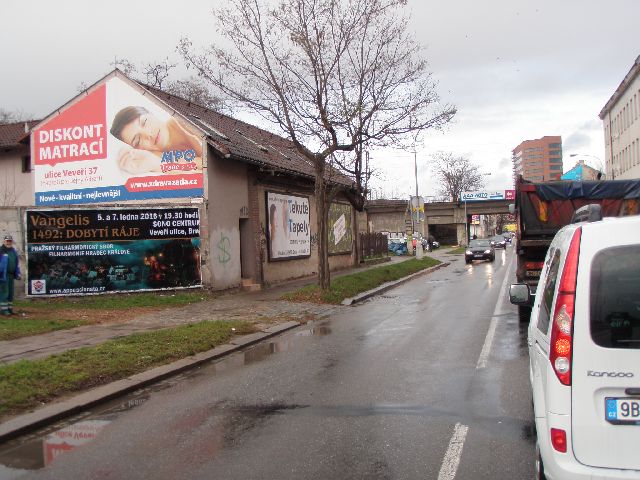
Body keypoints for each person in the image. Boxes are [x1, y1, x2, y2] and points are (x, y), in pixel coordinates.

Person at [110, 106, 203, 175]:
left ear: (151, 113)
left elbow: (209, 169)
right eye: (138, 140)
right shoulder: (153, 156)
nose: (148, 134)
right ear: (138, 149)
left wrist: (159, 165)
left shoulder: (183, 121)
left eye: (144, 122)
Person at [0, 235, 21, 316]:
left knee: (10, 292)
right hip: (3, 276)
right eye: (7, 241)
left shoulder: (13, 251)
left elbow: (16, 263)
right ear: (4, 241)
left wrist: (17, 273)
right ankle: (4, 310)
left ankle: (10, 309)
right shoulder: (1, 251)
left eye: (10, 241)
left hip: (11, 275)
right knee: (4, 292)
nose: (8, 242)